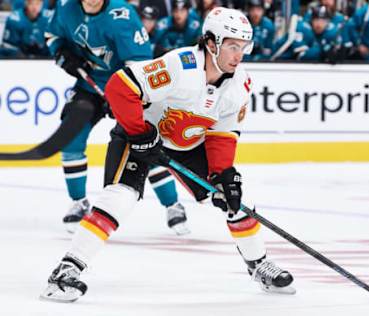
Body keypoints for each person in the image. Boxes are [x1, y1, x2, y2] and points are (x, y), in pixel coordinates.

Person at [40, 6, 295, 303]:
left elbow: (223, 134)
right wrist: (138, 133)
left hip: (186, 145)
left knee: (236, 199)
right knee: (120, 197)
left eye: (243, 47)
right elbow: (120, 86)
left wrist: (223, 174)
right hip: (138, 136)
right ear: (212, 43)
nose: (239, 55)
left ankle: (259, 264)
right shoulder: (180, 65)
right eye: (232, 46)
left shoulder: (240, 85)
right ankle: (65, 271)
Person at [45, 0, 189, 235]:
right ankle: (79, 202)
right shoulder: (66, 7)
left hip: (125, 87)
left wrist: (127, 98)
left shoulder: (122, 17)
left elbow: (141, 66)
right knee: (71, 139)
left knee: (144, 146)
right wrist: (62, 54)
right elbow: (52, 36)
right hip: (89, 87)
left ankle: (173, 204)